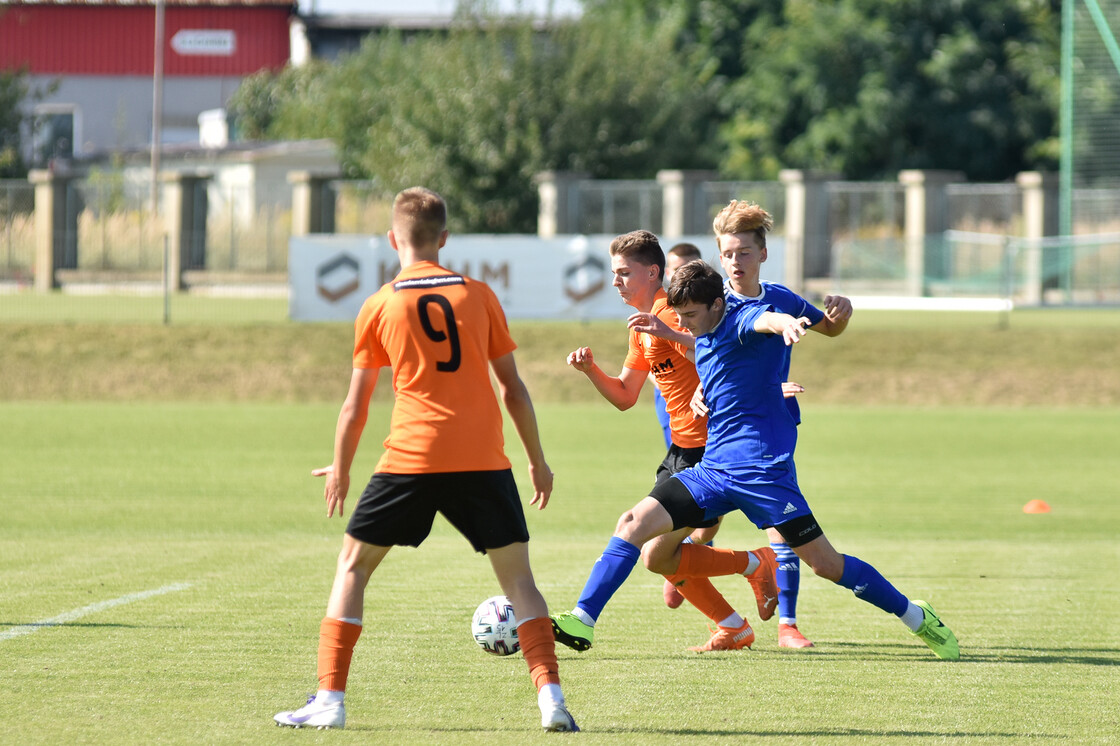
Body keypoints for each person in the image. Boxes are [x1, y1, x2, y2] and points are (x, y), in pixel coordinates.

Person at [274, 187, 579, 732]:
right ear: (444, 239)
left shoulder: (379, 304)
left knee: (352, 568)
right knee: (520, 584)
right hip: (484, 460)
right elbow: (512, 388)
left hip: (411, 459)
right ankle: (551, 700)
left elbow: (356, 405)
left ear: (393, 239)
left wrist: (342, 468)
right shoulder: (480, 295)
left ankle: (330, 701)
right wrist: (536, 458)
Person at [551, 259, 959, 662]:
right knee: (638, 529)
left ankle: (916, 616)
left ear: (716, 305)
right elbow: (709, 355)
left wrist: (787, 324)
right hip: (714, 471)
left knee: (826, 564)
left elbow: (765, 321)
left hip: (765, 476)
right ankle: (583, 619)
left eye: (691, 315)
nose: (685, 324)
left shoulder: (740, 320)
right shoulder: (702, 336)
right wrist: (701, 388)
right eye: (680, 316)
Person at [643, 201, 853, 649]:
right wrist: (704, 388)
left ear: (761, 253)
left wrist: (839, 314)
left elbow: (819, 327)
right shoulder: (713, 306)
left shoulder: (775, 298)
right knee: (687, 535)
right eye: (727, 253)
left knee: (782, 529)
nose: (734, 262)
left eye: (742, 252)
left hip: (768, 431)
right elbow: (716, 349)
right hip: (715, 435)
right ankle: (718, 584)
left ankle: (787, 625)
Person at [563, 229, 779, 652]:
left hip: (712, 454)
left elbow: (716, 353)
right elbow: (626, 395)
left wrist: (668, 329)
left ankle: (582, 617)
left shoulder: (676, 312)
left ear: (653, 272)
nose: (615, 282)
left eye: (624, 273)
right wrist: (591, 371)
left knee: (638, 532)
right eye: (614, 273)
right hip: (680, 451)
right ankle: (741, 606)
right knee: (657, 556)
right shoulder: (641, 327)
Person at [651, 243, 704, 449]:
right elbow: (646, 357)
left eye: (691, 269)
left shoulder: (715, 308)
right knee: (678, 461)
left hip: (706, 395)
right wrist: (660, 380)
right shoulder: (657, 310)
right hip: (672, 398)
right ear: (667, 272)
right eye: (678, 270)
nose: (685, 275)